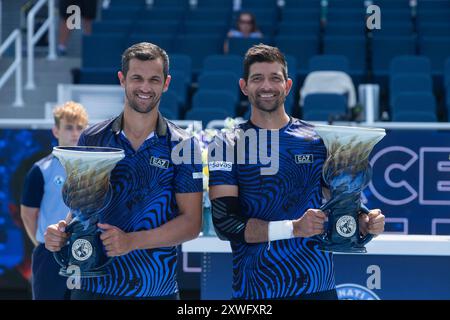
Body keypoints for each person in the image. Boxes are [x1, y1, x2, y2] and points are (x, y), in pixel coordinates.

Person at [208, 44, 385, 300]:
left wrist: (364, 222)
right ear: (244, 86)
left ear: (288, 86)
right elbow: (225, 224)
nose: (267, 86)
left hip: (317, 288)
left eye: (275, 78)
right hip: (255, 291)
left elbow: (337, 206)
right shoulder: (226, 144)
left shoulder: (319, 140)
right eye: (257, 78)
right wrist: (293, 228)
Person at [44, 42, 203, 300]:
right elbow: (81, 209)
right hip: (92, 287)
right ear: (122, 79)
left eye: (154, 79)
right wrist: (62, 231)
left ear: (166, 83)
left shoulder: (184, 146)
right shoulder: (93, 138)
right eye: (137, 78)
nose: (145, 87)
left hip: (155, 289)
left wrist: (131, 241)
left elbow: (192, 224)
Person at [21, 101, 89, 300]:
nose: (75, 133)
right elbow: (28, 214)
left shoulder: (95, 169)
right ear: (55, 130)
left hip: (86, 252)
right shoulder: (41, 170)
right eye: (69, 127)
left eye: (80, 127)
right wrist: (46, 243)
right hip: (50, 256)